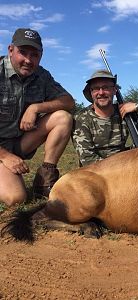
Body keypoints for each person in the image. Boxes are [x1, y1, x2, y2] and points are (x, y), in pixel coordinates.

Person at [0, 28, 75, 206]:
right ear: (11, 50)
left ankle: (44, 181)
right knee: (15, 198)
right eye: (22, 52)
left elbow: (68, 101)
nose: (28, 60)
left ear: (41, 56)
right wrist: (4, 156)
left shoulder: (42, 75)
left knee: (63, 118)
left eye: (34, 54)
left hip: (18, 144)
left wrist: (36, 107)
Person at [72, 70, 138, 166]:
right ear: (91, 92)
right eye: (96, 88)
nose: (101, 92)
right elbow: (88, 159)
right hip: (99, 171)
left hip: (124, 161)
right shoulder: (81, 118)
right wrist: (120, 170)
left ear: (114, 90)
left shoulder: (126, 111)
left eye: (106, 87)